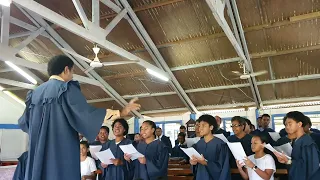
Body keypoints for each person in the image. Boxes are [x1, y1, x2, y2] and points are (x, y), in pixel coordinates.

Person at [16, 55, 141, 180]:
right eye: (73, 71)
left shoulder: (33, 95)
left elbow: (24, 123)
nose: (72, 75)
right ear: (66, 69)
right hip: (60, 150)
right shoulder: (66, 89)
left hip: (37, 152)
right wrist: (121, 112)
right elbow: (87, 115)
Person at [274, 111, 320, 180]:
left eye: (290, 124)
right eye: (286, 125)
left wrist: (288, 161)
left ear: (299, 124)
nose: (287, 127)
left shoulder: (307, 143)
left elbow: (310, 168)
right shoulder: (297, 141)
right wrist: (287, 161)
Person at [190, 115, 230, 180]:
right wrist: (193, 163)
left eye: (204, 126)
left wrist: (205, 163)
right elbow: (195, 169)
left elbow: (223, 169)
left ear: (211, 127)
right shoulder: (198, 145)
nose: (200, 128)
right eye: (199, 126)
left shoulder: (220, 145)